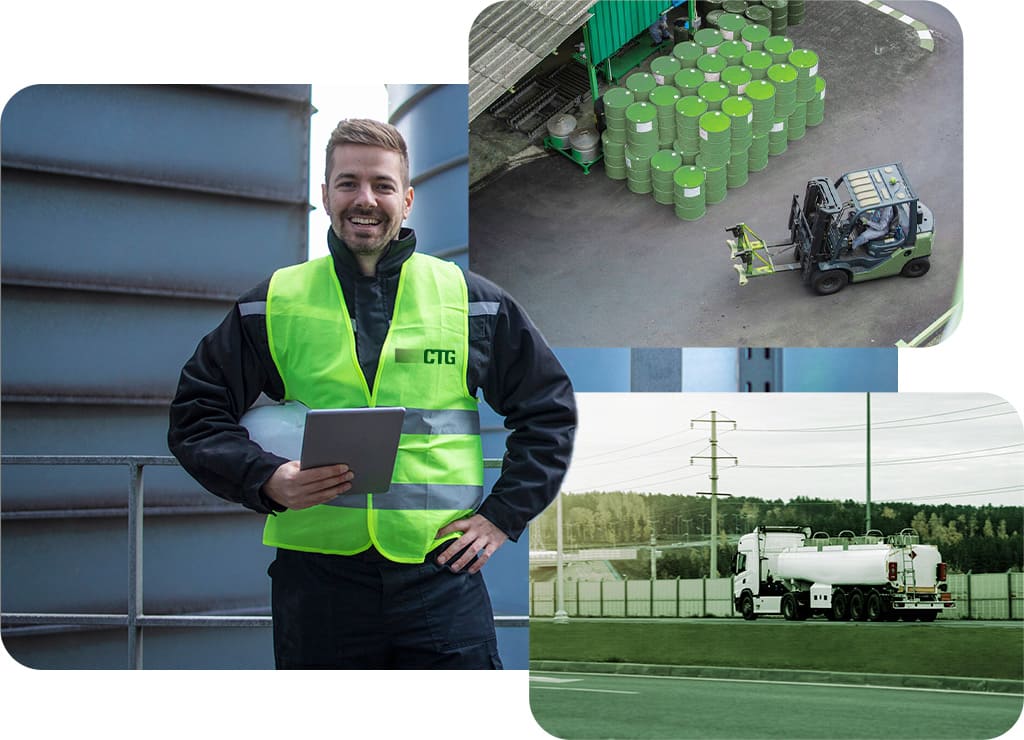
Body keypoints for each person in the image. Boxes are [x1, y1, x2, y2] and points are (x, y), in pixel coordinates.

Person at [167, 118, 576, 669]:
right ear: (325, 195)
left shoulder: (471, 302)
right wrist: (264, 478)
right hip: (317, 582)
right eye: (348, 183)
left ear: (406, 200)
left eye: (382, 185)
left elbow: (549, 411)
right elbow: (195, 415)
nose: (365, 199)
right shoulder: (273, 303)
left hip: (440, 572)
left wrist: (503, 515)